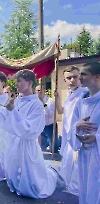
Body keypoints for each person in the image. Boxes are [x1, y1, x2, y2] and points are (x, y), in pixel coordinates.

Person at [0, 69, 64, 198]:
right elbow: (7, 120)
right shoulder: (17, 100)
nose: (16, 84)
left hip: (26, 143)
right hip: (14, 142)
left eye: (19, 81)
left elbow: (31, 128)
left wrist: (13, 112)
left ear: (29, 82)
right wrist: (6, 109)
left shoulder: (37, 105)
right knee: (13, 171)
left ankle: (53, 174)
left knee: (31, 183)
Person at [69, 61, 100, 204]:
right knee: (86, 191)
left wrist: (97, 138)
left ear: (97, 77)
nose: (79, 77)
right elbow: (72, 125)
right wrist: (77, 125)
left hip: (97, 154)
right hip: (85, 155)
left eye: (83, 74)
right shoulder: (81, 102)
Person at [54, 65, 87, 196]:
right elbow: (61, 111)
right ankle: (67, 186)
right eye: (69, 78)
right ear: (65, 80)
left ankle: (77, 190)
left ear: (80, 77)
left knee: (78, 164)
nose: (72, 80)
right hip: (68, 135)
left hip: (80, 135)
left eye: (75, 76)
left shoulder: (85, 94)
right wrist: (57, 98)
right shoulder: (69, 96)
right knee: (67, 163)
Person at [35, 85, 59, 153]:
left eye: (41, 90)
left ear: (44, 91)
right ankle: (47, 141)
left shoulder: (50, 101)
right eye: (38, 91)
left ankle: (59, 140)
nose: (39, 92)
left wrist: (44, 104)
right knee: (41, 149)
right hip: (41, 127)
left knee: (54, 150)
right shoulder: (34, 102)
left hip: (50, 126)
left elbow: (51, 114)